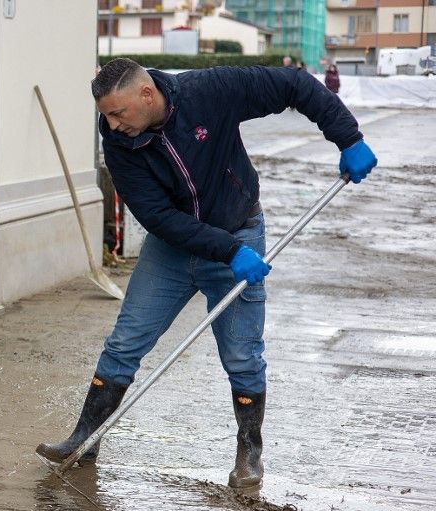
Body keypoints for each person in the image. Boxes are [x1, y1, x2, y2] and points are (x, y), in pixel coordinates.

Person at [36, 58, 377, 488]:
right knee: (125, 343)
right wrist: (226, 250)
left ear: (146, 94)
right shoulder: (119, 143)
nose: (112, 123)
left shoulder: (210, 91)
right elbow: (158, 217)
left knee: (241, 355)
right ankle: (83, 439)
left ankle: (249, 454)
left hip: (239, 231)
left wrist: (348, 139)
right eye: (104, 115)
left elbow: (294, 85)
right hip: (174, 250)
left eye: (118, 113)